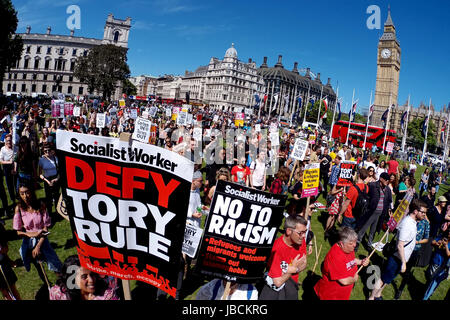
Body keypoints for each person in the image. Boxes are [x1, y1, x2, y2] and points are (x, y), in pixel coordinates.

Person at [369, 199, 428, 300]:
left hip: (400, 259)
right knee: (383, 279)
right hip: (397, 258)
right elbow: (400, 245)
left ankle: (378, 295)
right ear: (415, 211)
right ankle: (371, 298)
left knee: (388, 279)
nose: (424, 215)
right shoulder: (407, 224)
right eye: (423, 212)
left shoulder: (413, 222)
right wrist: (404, 263)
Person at [13, 183, 62, 284]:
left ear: (31, 192)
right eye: (22, 193)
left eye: (27, 192)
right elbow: (18, 231)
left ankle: (64, 286)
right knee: (39, 266)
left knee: (56, 265)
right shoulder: (19, 208)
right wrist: (31, 235)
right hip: (28, 242)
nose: (25, 196)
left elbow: (45, 227)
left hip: (43, 239)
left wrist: (38, 245)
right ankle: (48, 286)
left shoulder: (40, 205)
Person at [259, 215, 308, 300]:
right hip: (273, 290)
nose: (304, 236)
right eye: (300, 232)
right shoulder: (277, 249)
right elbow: (277, 282)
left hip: (291, 286)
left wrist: (290, 269)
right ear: (289, 231)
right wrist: (293, 269)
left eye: (305, 232)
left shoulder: (301, 241)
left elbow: (304, 263)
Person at [314, 227, 370, 300]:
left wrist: (361, 261)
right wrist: (354, 279)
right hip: (331, 295)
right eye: (351, 243)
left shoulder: (349, 249)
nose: (354, 245)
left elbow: (351, 261)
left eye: (355, 242)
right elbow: (344, 281)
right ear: (341, 244)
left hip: (342, 295)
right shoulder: (335, 256)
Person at [50, 255, 119, 300]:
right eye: (84, 277)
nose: (91, 280)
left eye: (92, 274)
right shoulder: (58, 294)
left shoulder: (107, 296)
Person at [356, 172, 393, 250]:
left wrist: (389, 209)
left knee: (373, 230)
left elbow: (389, 200)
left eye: (388, 180)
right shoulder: (372, 185)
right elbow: (365, 195)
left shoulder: (388, 190)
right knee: (364, 227)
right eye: (386, 180)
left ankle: (369, 244)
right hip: (371, 211)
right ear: (381, 179)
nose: (387, 181)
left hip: (381, 213)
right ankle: (357, 242)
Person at [422, 229, 450, 300]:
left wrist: (446, 246)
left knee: (433, 281)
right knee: (429, 277)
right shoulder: (443, 236)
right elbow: (433, 242)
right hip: (434, 260)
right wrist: (437, 242)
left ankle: (426, 296)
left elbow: (449, 254)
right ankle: (426, 293)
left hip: (441, 265)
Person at [38, 142, 60, 224]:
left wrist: (56, 179)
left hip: (56, 178)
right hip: (47, 179)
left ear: (52, 150)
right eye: (45, 151)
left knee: (57, 196)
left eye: (49, 150)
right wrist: (47, 181)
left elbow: (60, 171)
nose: (47, 152)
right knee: (48, 198)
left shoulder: (56, 158)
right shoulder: (41, 160)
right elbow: (39, 174)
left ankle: (58, 213)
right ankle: (50, 214)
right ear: (43, 151)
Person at [0, 222, 21, 300]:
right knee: (5, 292)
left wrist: (9, 260)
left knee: (12, 289)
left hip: (4, 266)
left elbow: (4, 250)